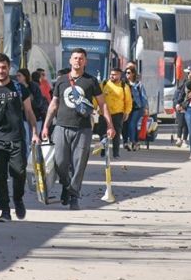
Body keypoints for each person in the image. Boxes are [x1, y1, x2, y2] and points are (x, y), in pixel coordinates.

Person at [41, 48, 114, 210]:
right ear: (70, 61)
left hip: (83, 129)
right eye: (75, 58)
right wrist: (46, 126)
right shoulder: (61, 80)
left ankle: (74, 196)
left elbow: (102, 104)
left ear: (85, 62)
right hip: (61, 126)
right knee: (60, 162)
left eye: (81, 58)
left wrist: (110, 125)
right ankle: (67, 187)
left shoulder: (91, 81)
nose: (78, 61)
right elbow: (54, 104)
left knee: (79, 164)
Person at [0, 53, 40, 222]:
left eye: (4, 68)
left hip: (17, 138)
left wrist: (34, 132)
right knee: (0, 176)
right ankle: (4, 210)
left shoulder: (19, 88)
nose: (1, 71)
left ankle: (17, 199)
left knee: (19, 173)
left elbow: (29, 112)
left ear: (9, 67)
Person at [100, 67, 132, 158]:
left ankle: (116, 153)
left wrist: (127, 112)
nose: (112, 76)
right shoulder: (104, 84)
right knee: (103, 133)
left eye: (114, 74)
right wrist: (95, 108)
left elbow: (128, 101)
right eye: (111, 74)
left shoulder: (124, 86)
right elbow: (97, 97)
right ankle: (103, 151)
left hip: (118, 113)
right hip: (104, 113)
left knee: (116, 134)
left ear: (119, 75)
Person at [124, 63, 148, 151]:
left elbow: (144, 97)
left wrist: (145, 108)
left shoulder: (138, 84)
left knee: (132, 124)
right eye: (126, 73)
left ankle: (132, 141)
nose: (127, 74)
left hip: (137, 107)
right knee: (130, 125)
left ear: (133, 73)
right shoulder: (124, 84)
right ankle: (135, 142)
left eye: (129, 72)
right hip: (128, 108)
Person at [173, 67, 191, 147]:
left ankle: (184, 140)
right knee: (180, 123)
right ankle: (178, 139)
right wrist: (178, 105)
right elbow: (180, 95)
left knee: (187, 125)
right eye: (187, 73)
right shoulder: (184, 85)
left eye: (189, 73)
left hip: (189, 107)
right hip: (181, 106)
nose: (188, 75)